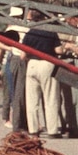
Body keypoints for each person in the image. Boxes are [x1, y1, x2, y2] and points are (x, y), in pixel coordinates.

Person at [21, 10, 62, 138]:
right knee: (50, 98)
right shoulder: (50, 32)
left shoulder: (30, 33)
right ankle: (52, 130)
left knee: (32, 100)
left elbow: (22, 55)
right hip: (47, 63)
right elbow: (59, 50)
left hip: (32, 64)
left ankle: (33, 129)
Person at [0, 6, 28, 131]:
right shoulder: (15, 28)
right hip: (14, 60)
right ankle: (10, 119)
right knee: (13, 91)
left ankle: (12, 119)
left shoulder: (13, 28)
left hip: (12, 60)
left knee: (12, 91)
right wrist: (11, 49)